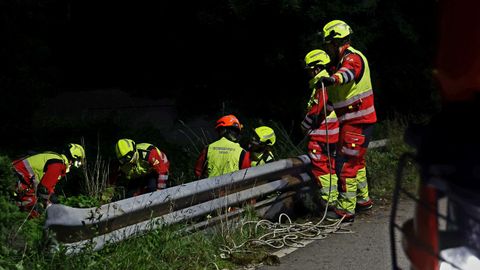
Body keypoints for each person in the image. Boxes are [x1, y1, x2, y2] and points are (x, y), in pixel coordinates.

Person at [316, 20, 376, 222]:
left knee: (346, 164)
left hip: (356, 122)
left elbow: (348, 74)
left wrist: (332, 79)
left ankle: (345, 211)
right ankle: (363, 200)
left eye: (328, 44)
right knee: (357, 162)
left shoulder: (352, 58)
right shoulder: (341, 62)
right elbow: (340, 96)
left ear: (335, 42)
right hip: (359, 121)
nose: (327, 48)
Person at [302, 49, 340, 212]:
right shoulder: (329, 82)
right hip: (331, 134)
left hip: (322, 134)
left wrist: (305, 124)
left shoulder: (321, 84)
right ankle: (333, 199)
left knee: (322, 168)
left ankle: (328, 202)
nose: (309, 73)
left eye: (310, 69)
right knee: (331, 167)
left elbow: (318, 107)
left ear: (317, 68)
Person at [12, 143, 86, 218]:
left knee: (32, 207)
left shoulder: (55, 159)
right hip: (17, 179)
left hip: (18, 178)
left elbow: (47, 187)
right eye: (77, 163)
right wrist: (55, 202)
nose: (75, 166)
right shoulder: (57, 164)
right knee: (34, 211)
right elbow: (44, 189)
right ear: (73, 158)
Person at [194, 114, 251, 179]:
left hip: (210, 187)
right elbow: (246, 175)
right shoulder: (243, 152)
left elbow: (198, 171)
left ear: (221, 130)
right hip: (234, 188)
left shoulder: (208, 148)